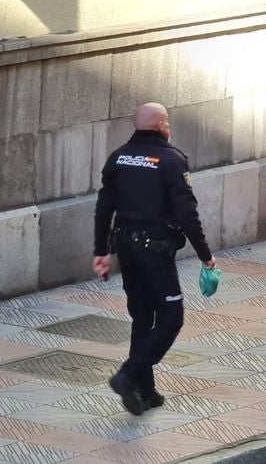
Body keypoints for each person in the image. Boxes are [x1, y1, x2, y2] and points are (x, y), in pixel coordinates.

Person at [93, 103, 217, 416]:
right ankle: (128, 375)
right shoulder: (171, 160)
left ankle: (144, 392)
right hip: (155, 252)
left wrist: (101, 252)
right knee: (171, 319)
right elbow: (186, 213)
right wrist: (205, 255)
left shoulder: (118, 157)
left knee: (142, 318)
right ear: (161, 124)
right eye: (168, 122)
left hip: (127, 250)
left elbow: (104, 208)